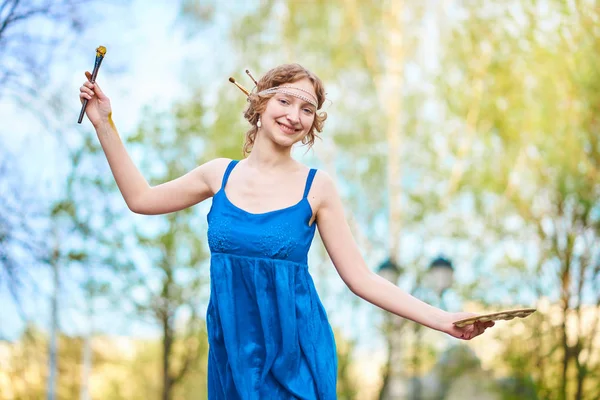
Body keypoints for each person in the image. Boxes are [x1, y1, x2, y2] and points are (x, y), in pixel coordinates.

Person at [79, 63, 494, 399]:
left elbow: (362, 278)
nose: (294, 115)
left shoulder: (318, 188)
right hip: (232, 354)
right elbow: (140, 198)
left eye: (307, 109)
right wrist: (104, 122)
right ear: (258, 104)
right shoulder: (217, 175)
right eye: (285, 100)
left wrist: (442, 320)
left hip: (296, 357)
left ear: (313, 123)